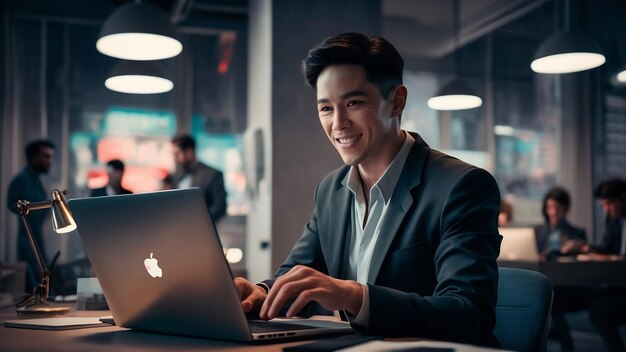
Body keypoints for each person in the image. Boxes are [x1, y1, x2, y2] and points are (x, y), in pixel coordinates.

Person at [234, 32, 502, 346]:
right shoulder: (330, 189)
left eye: (353, 103)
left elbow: (468, 314)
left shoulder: (462, 186)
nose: (338, 123)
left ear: (397, 101)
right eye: (326, 109)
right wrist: (260, 294)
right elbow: (298, 273)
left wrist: (354, 296)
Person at [6, 139, 55, 291]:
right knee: (32, 278)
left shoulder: (36, 180)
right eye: (45, 156)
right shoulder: (21, 180)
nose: (49, 161)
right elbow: (11, 203)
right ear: (33, 157)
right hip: (27, 238)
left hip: (37, 236)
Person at [588, 178, 626, 352]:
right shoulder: (613, 220)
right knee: (594, 299)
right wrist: (586, 248)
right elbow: (608, 248)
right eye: (603, 205)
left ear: (623, 198)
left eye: (610, 204)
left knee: (599, 311)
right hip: (619, 282)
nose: (607, 209)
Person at [171, 134, 227, 221]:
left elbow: (219, 207)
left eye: (177, 154)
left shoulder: (213, 174)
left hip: (201, 227)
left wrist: (199, 222)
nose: (174, 159)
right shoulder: (178, 173)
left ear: (189, 152)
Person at [533, 186, 587, 257]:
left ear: (566, 208)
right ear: (545, 208)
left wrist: (579, 249)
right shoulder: (536, 232)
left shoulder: (577, 234)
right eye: (550, 207)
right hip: (541, 267)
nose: (554, 212)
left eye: (558, 207)